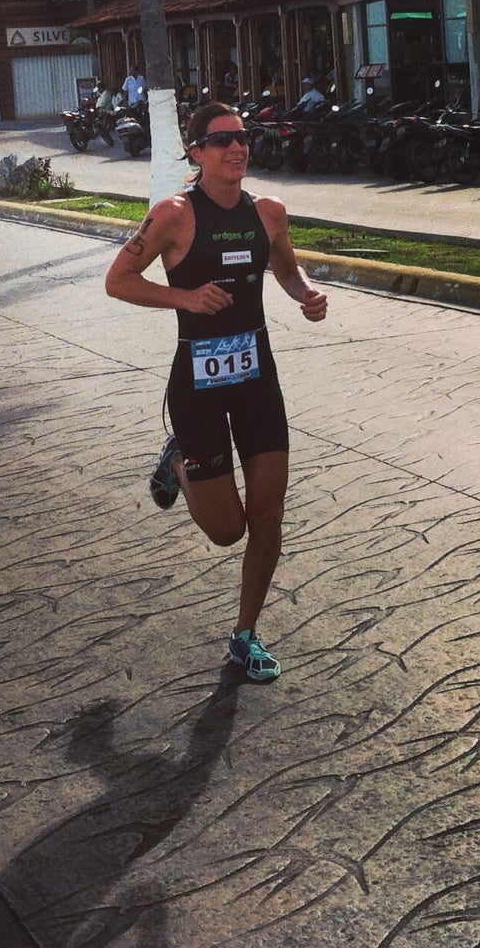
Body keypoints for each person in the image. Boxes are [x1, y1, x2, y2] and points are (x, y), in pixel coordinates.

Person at [104, 101, 327, 682]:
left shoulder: (270, 212)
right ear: (196, 151)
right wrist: (186, 298)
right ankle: (176, 457)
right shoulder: (174, 215)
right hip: (197, 387)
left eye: (243, 137)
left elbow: (286, 270)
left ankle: (245, 635)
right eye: (221, 139)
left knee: (269, 512)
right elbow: (118, 281)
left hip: (257, 379)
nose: (237, 148)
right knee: (228, 530)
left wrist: (306, 295)